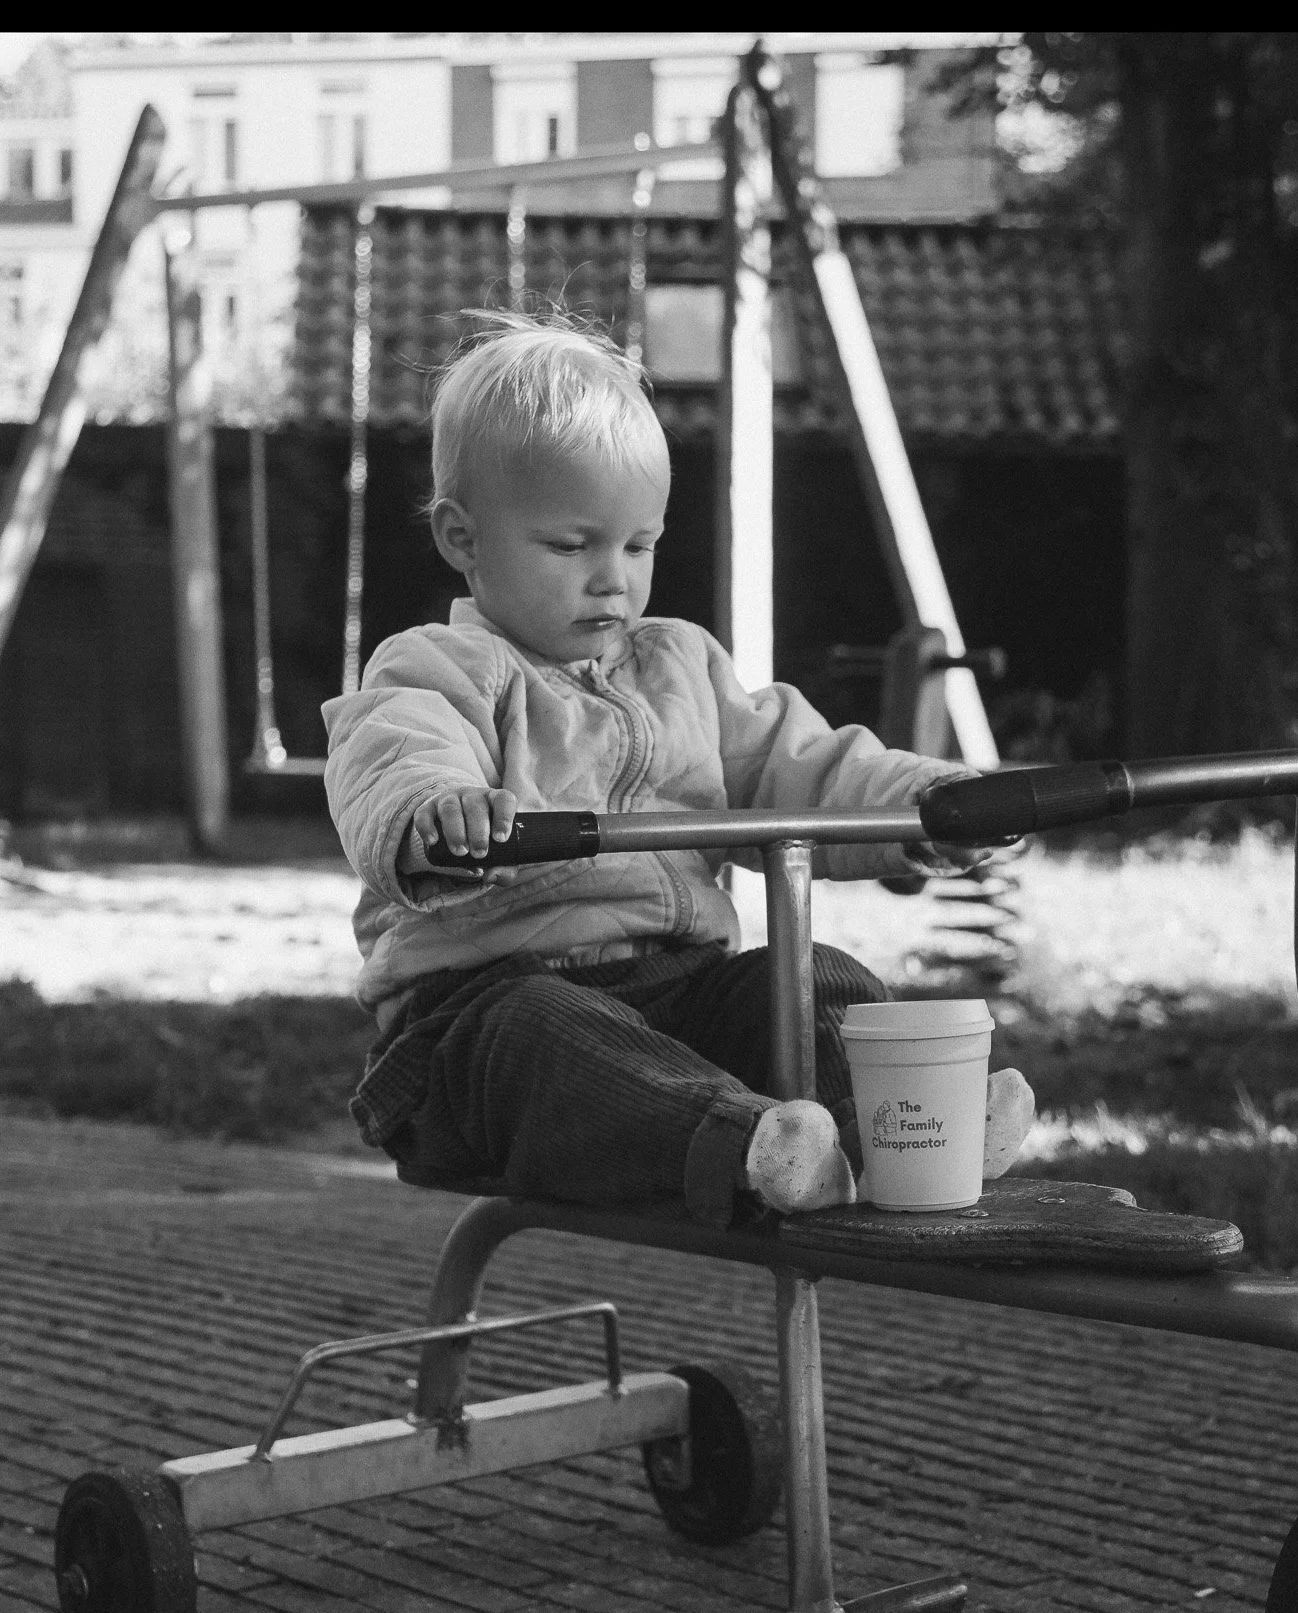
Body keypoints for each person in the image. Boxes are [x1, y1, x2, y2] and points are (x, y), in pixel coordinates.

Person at [324, 312, 1033, 1226]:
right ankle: (754, 1148)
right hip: (478, 1028)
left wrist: (926, 807)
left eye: (639, 545)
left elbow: (801, 763)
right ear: (464, 538)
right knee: (550, 1026)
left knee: (808, 973)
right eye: (571, 546)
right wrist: (434, 811)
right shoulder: (437, 667)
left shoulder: (681, 665)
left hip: (679, 995)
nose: (612, 579)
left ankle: (897, 1134)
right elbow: (396, 746)